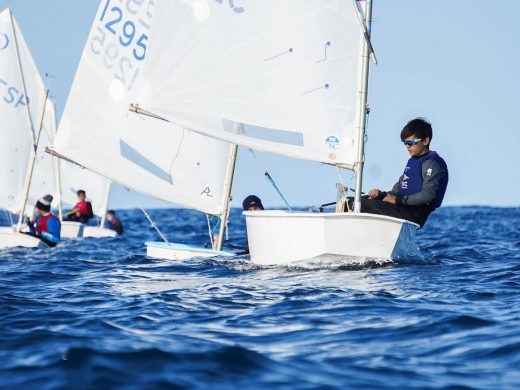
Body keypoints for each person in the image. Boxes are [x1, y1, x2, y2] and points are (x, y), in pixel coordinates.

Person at [359, 117, 448, 227]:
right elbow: (396, 192)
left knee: (361, 205)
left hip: (415, 214)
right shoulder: (412, 162)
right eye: (405, 142)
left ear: (425, 141)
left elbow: (427, 195)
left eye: (411, 142)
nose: (407, 146)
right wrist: (381, 195)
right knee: (354, 201)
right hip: (402, 208)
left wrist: (398, 201)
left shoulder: (432, 164)